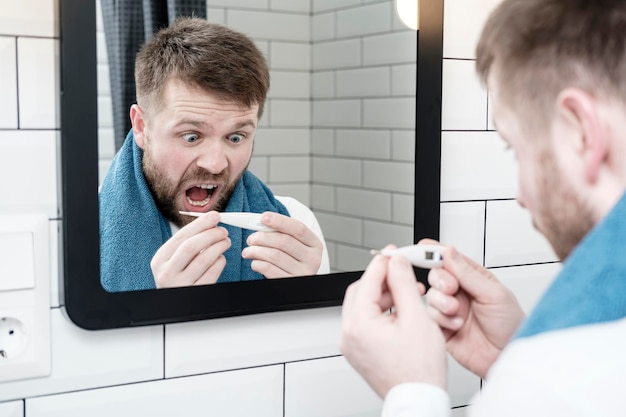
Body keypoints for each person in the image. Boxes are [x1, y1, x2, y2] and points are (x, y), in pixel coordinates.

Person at [339, 0, 626, 415]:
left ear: (581, 130)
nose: (521, 196)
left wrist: (412, 391)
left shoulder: (560, 372)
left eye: (516, 148)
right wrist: (515, 356)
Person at [99, 17, 329, 292]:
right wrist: (161, 310)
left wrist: (304, 299)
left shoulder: (295, 227)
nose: (216, 163)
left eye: (235, 137)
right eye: (191, 137)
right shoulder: (83, 231)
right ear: (141, 127)